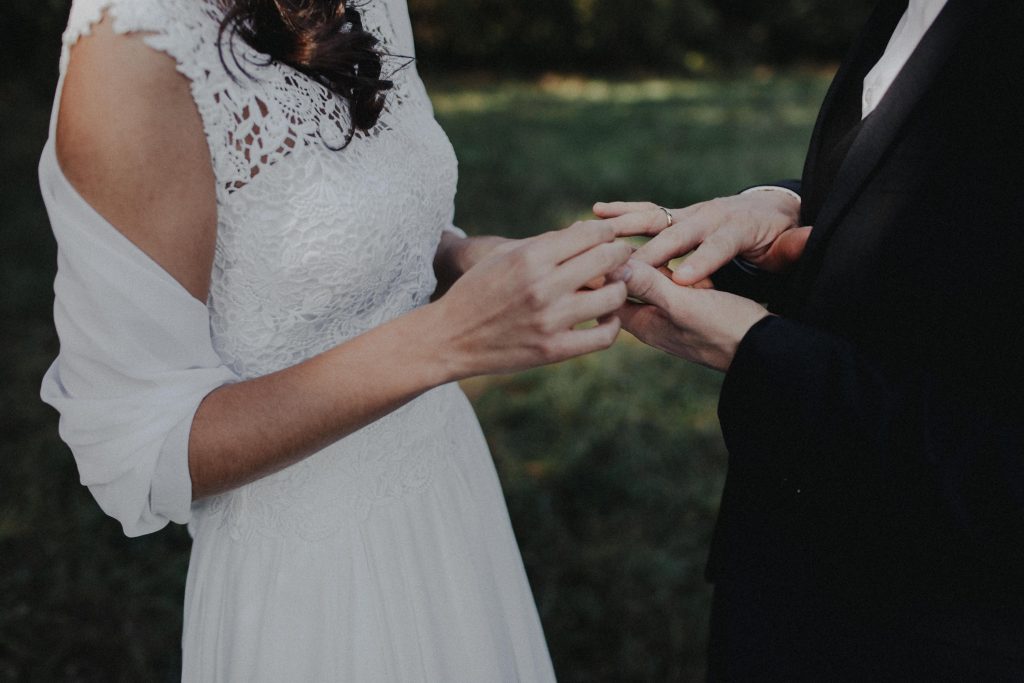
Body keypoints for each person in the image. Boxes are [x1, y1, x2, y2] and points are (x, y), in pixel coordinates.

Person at [39, 0, 650, 678]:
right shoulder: (136, 46)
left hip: (446, 501)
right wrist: (447, 339)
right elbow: (138, 448)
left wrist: (471, 257)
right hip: (312, 582)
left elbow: (371, 223)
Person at [597, 0, 1024, 679]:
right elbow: (955, 211)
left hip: (938, 631)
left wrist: (757, 352)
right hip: (788, 588)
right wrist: (783, 206)